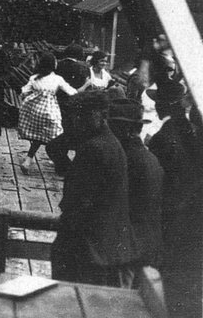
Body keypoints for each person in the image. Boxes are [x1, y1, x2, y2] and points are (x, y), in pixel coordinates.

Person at [50, 92, 135, 286]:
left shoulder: (94, 148)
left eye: (85, 115)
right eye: (76, 116)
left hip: (87, 247)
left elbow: (79, 202)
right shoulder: (111, 143)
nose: (79, 121)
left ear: (102, 115)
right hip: (102, 246)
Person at [147, 79, 203, 318]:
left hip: (174, 217)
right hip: (187, 216)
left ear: (166, 106)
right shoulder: (187, 132)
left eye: (159, 102)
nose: (156, 106)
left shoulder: (164, 137)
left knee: (175, 283)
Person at [108, 97, 163, 274]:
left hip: (128, 247)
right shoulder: (148, 157)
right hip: (144, 244)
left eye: (113, 126)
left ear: (127, 130)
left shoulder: (126, 159)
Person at [17, 52, 77, 174]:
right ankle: (62, 163)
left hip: (35, 110)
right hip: (49, 111)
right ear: (53, 64)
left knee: (39, 136)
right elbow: (71, 92)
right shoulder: (57, 79)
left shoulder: (34, 78)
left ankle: (28, 160)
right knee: (58, 136)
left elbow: (24, 91)